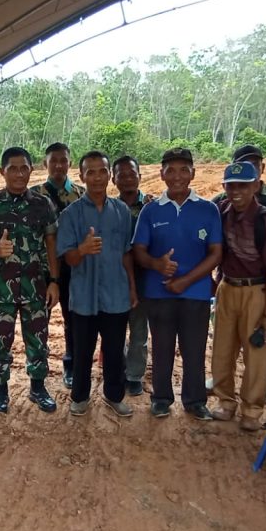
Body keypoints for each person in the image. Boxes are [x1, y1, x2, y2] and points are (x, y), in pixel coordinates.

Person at [133, 147, 222, 419]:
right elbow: (139, 251)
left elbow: (216, 253)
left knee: (194, 348)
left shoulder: (208, 210)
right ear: (161, 174)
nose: (177, 176)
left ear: (193, 173)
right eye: (170, 170)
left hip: (195, 292)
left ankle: (195, 401)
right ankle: (161, 398)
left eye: (184, 169)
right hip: (158, 294)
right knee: (162, 348)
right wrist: (156, 264)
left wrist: (185, 281)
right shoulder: (150, 210)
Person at [0, 146, 60, 413]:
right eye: (13, 168)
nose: (20, 174)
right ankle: (0, 391)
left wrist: (54, 280)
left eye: (24, 168)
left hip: (36, 286)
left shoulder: (42, 204)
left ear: (31, 170)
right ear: (3, 171)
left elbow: (51, 243)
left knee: (38, 340)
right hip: (2, 290)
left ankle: (38, 388)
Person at [56, 151, 136, 417]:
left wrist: (132, 288)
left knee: (115, 352)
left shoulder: (122, 211)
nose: (98, 177)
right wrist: (82, 249)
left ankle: (114, 395)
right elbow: (68, 257)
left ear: (109, 175)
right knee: (81, 352)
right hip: (84, 297)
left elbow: (127, 252)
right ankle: (80, 397)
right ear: (81, 176)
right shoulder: (71, 214)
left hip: (116, 294)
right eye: (91, 172)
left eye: (102, 171)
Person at [208, 161, 266, 431]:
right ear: (225, 188)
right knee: (222, 350)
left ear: (256, 186)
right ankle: (226, 402)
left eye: (243, 186)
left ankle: (252, 410)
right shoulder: (220, 213)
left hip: (257, 290)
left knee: (257, 354)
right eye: (231, 186)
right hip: (227, 288)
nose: (237, 192)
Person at [31, 142, 85, 388]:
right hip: (42, 269)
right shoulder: (33, 196)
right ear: (45, 164)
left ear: (70, 164)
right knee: (39, 320)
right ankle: (38, 371)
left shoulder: (81, 194)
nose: (59, 165)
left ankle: (71, 365)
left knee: (73, 319)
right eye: (54, 161)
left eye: (63, 160)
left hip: (74, 268)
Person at [112, 155, 154, 396]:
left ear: (140, 175)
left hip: (143, 276)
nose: (127, 179)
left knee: (139, 329)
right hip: (115, 278)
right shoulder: (109, 208)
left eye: (131, 174)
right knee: (115, 328)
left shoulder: (151, 206)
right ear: (113, 179)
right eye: (121, 175)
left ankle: (135, 374)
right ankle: (117, 369)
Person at [211, 144, 266, 213]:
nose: (251, 169)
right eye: (244, 165)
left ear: (263, 167)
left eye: (254, 164)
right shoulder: (220, 201)